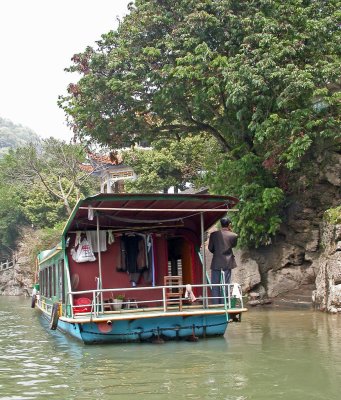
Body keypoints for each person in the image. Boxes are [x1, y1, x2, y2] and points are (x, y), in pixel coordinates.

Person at [208, 217, 238, 304]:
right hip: (227, 262)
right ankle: (225, 303)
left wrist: (217, 252)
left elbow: (210, 248)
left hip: (216, 262)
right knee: (226, 284)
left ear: (221, 224)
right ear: (229, 225)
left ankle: (216, 304)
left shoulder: (213, 235)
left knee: (215, 284)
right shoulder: (234, 235)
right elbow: (233, 245)